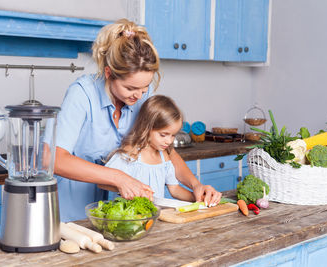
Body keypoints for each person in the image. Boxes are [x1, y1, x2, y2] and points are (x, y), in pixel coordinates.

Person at [53, 18, 221, 222]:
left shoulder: (140, 94)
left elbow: (163, 149)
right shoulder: (82, 95)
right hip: (71, 209)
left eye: (145, 88)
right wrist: (119, 177)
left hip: (117, 214)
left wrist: (196, 186)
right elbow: (54, 159)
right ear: (109, 74)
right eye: (131, 88)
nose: (139, 96)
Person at [105, 95, 198, 202]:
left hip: (154, 216)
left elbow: (175, 189)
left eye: (173, 135)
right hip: (129, 217)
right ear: (147, 128)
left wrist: (199, 199)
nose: (169, 141)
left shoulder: (164, 156)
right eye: (163, 135)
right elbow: (103, 183)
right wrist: (127, 187)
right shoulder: (131, 152)